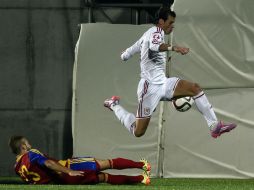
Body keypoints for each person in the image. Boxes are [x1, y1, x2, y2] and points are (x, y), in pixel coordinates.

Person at [104, 7, 236, 139]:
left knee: (195, 88)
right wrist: (175, 48)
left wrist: (125, 54)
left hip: (163, 83)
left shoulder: (146, 35)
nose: (172, 26)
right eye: (170, 22)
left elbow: (126, 54)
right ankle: (113, 105)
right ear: (161, 21)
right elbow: (155, 46)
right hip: (149, 88)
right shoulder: (157, 31)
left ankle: (214, 126)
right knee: (138, 132)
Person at [9, 135, 151, 185]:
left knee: (104, 178)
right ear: (23, 147)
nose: (30, 145)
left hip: (62, 182)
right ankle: (142, 165)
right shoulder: (30, 154)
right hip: (69, 168)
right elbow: (48, 163)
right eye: (27, 143)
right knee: (107, 163)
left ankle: (141, 179)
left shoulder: (17, 167)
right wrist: (68, 170)